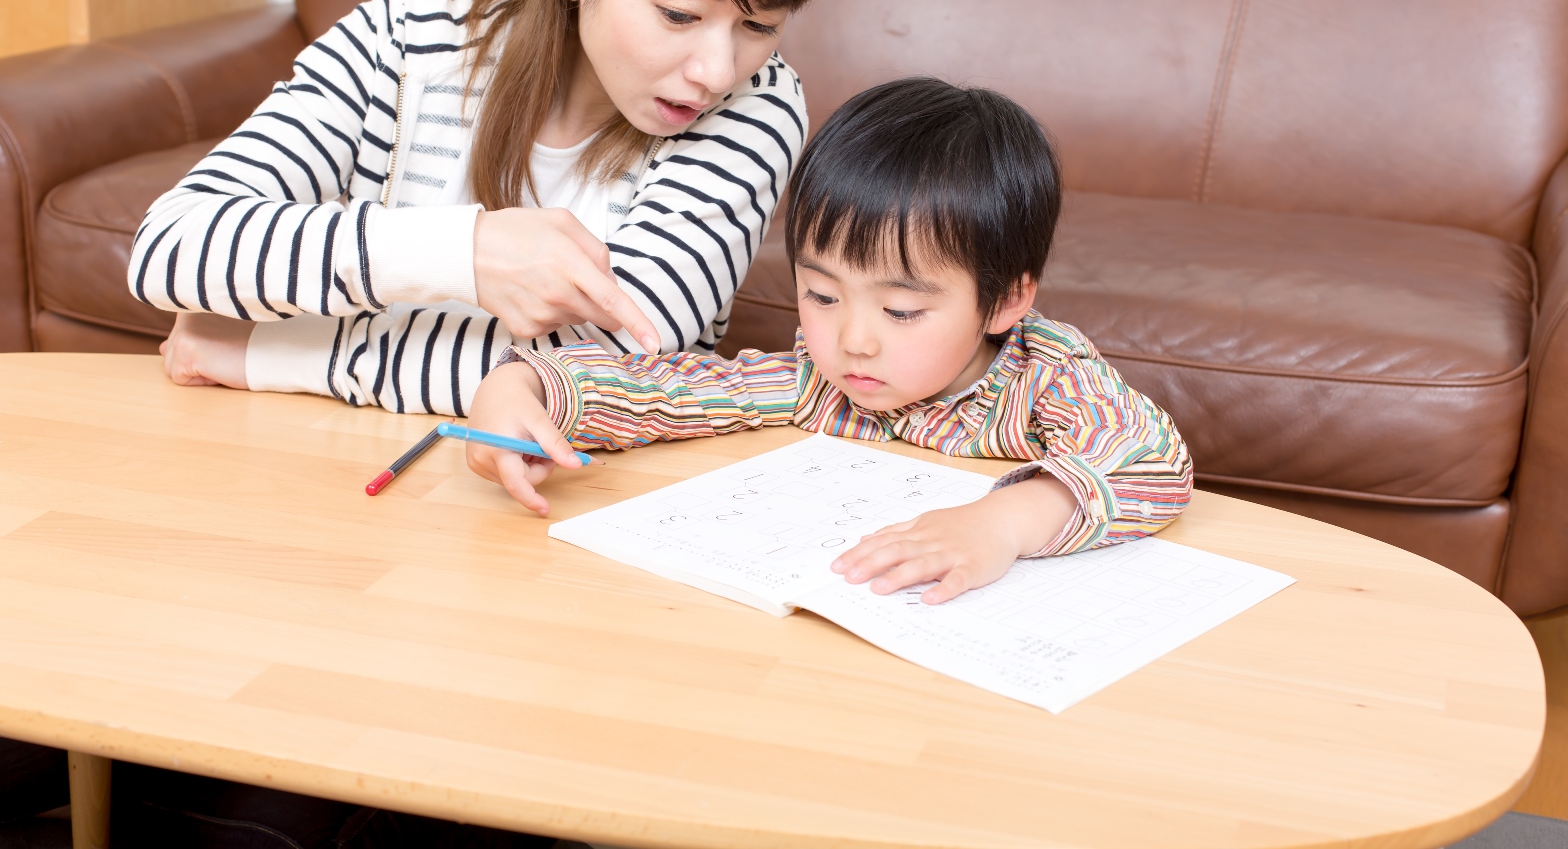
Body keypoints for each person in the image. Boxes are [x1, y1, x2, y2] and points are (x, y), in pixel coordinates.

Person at [36, 0, 831, 844]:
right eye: (680, 14)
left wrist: (271, 353)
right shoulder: (399, 47)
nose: (713, 67)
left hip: (549, 592)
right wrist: (460, 251)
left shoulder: (755, 106)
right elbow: (177, 248)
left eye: (757, 26)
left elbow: (622, 365)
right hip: (324, 542)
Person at [462, 78, 1195, 602]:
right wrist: (526, 387)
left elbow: (1151, 459)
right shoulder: (816, 375)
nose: (852, 340)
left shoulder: (1046, 376)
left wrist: (1002, 524)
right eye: (820, 294)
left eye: (902, 311)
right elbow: (676, 389)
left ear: (1005, 300)